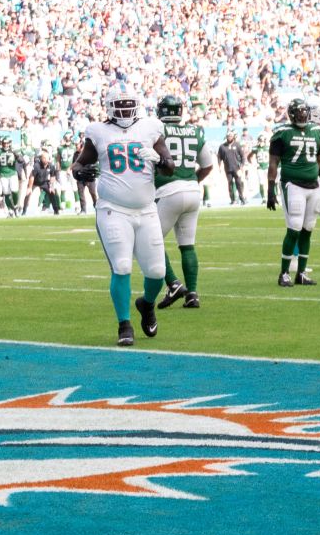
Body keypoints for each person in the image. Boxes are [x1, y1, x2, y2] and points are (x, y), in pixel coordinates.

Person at [71, 83, 175, 346]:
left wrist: (159, 160)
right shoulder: (99, 131)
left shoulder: (151, 128)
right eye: (120, 106)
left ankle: (147, 304)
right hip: (112, 209)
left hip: (147, 208)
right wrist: (78, 172)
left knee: (157, 271)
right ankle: (124, 325)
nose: (125, 110)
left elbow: (170, 169)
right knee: (122, 266)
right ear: (109, 107)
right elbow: (80, 162)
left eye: (129, 105)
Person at [266, 98, 320, 287]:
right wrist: (270, 190)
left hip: (313, 186)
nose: (303, 115)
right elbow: (273, 163)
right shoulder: (282, 133)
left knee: (307, 230)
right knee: (294, 228)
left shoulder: (314, 131)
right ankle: (285, 273)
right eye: (300, 112)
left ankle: (302, 273)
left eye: (305, 112)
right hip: (293, 185)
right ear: (292, 114)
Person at [153, 95, 215, 311]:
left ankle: (173, 284)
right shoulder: (195, 131)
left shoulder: (156, 130)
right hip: (192, 191)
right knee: (187, 244)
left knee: (150, 241)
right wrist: (189, 181)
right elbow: (207, 166)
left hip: (168, 191)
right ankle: (193, 294)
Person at [218, 130, 247, 205]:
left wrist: (242, 166)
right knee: (230, 184)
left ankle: (242, 198)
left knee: (239, 183)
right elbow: (219, 157)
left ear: (233, 137)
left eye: (231, 136)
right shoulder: (222, 146)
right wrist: (219, 166)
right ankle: (233, 199)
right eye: (228, 136)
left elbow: (243, 156)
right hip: (227, 169)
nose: (229, 137)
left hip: (237, 168)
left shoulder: (237, 145)